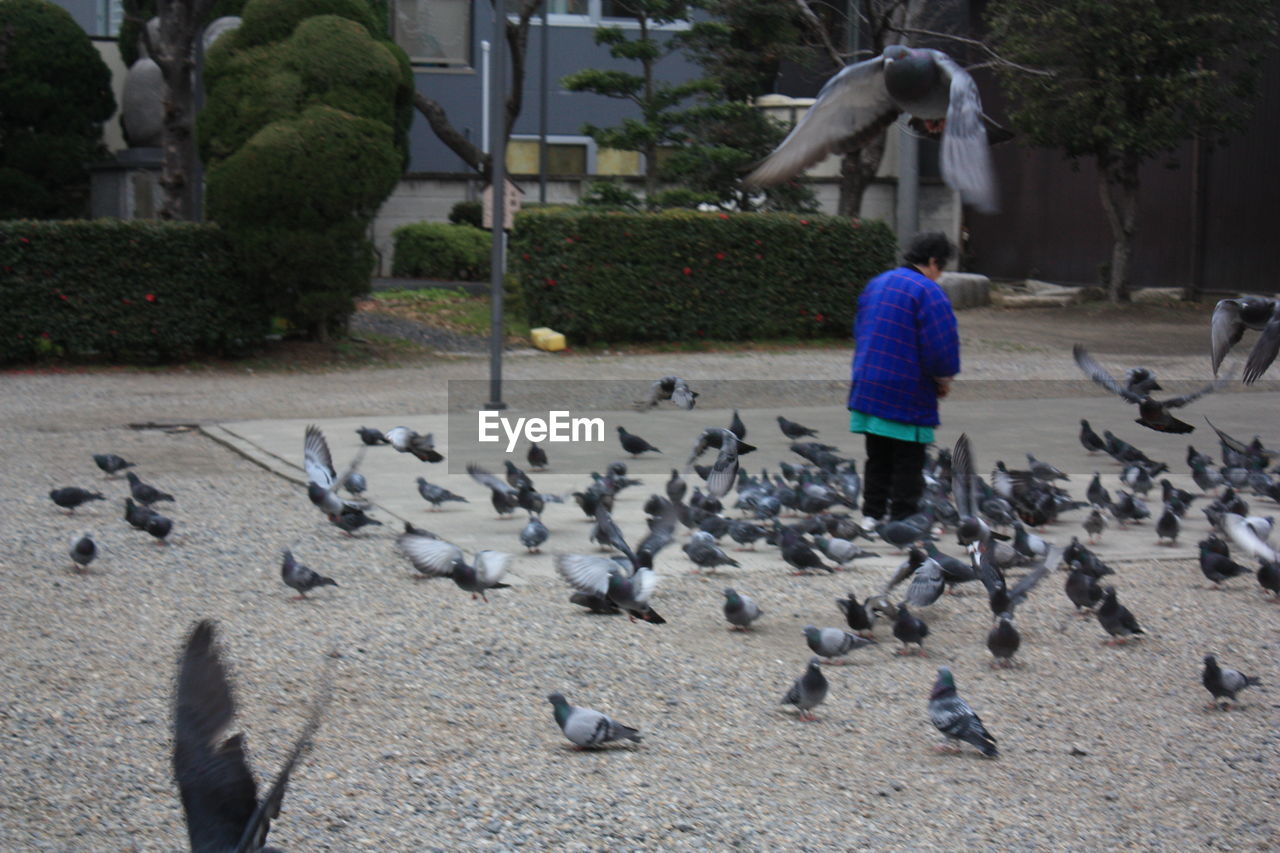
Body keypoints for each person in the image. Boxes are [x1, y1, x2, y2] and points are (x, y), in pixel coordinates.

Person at [847, 231, 960, 523]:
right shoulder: (929, 292)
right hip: (906, 388)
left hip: (869, 384)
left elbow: (860, 330)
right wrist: (943, 381)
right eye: (942, 266)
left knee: (877, 456)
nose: (941, 274)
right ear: (933, 261)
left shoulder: (877, 283)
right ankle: (903, 517)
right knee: (908, 459)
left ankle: (871, 516)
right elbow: (940, 347)